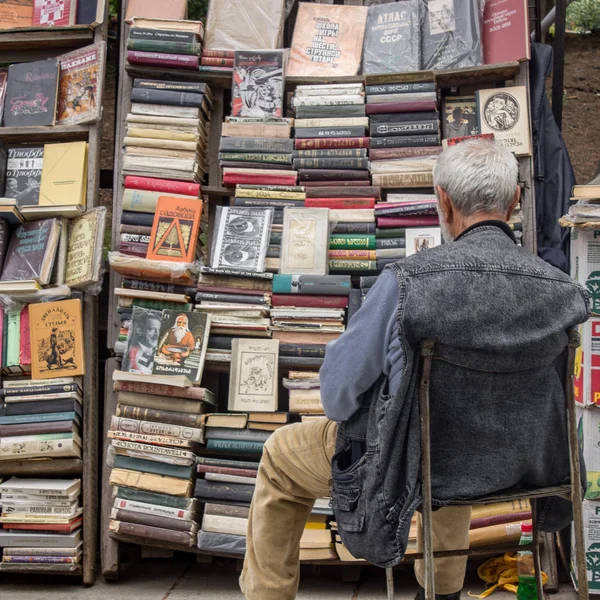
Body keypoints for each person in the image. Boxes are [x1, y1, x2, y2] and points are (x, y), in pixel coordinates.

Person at [239, 140, 590, 600]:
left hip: (420, 463)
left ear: (442, 200)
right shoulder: (564, 291)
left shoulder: (406, 283)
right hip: (522, 467)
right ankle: (442, 594)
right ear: (515, 201)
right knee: (448, 442)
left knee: (283, 456)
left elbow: (337, 394)